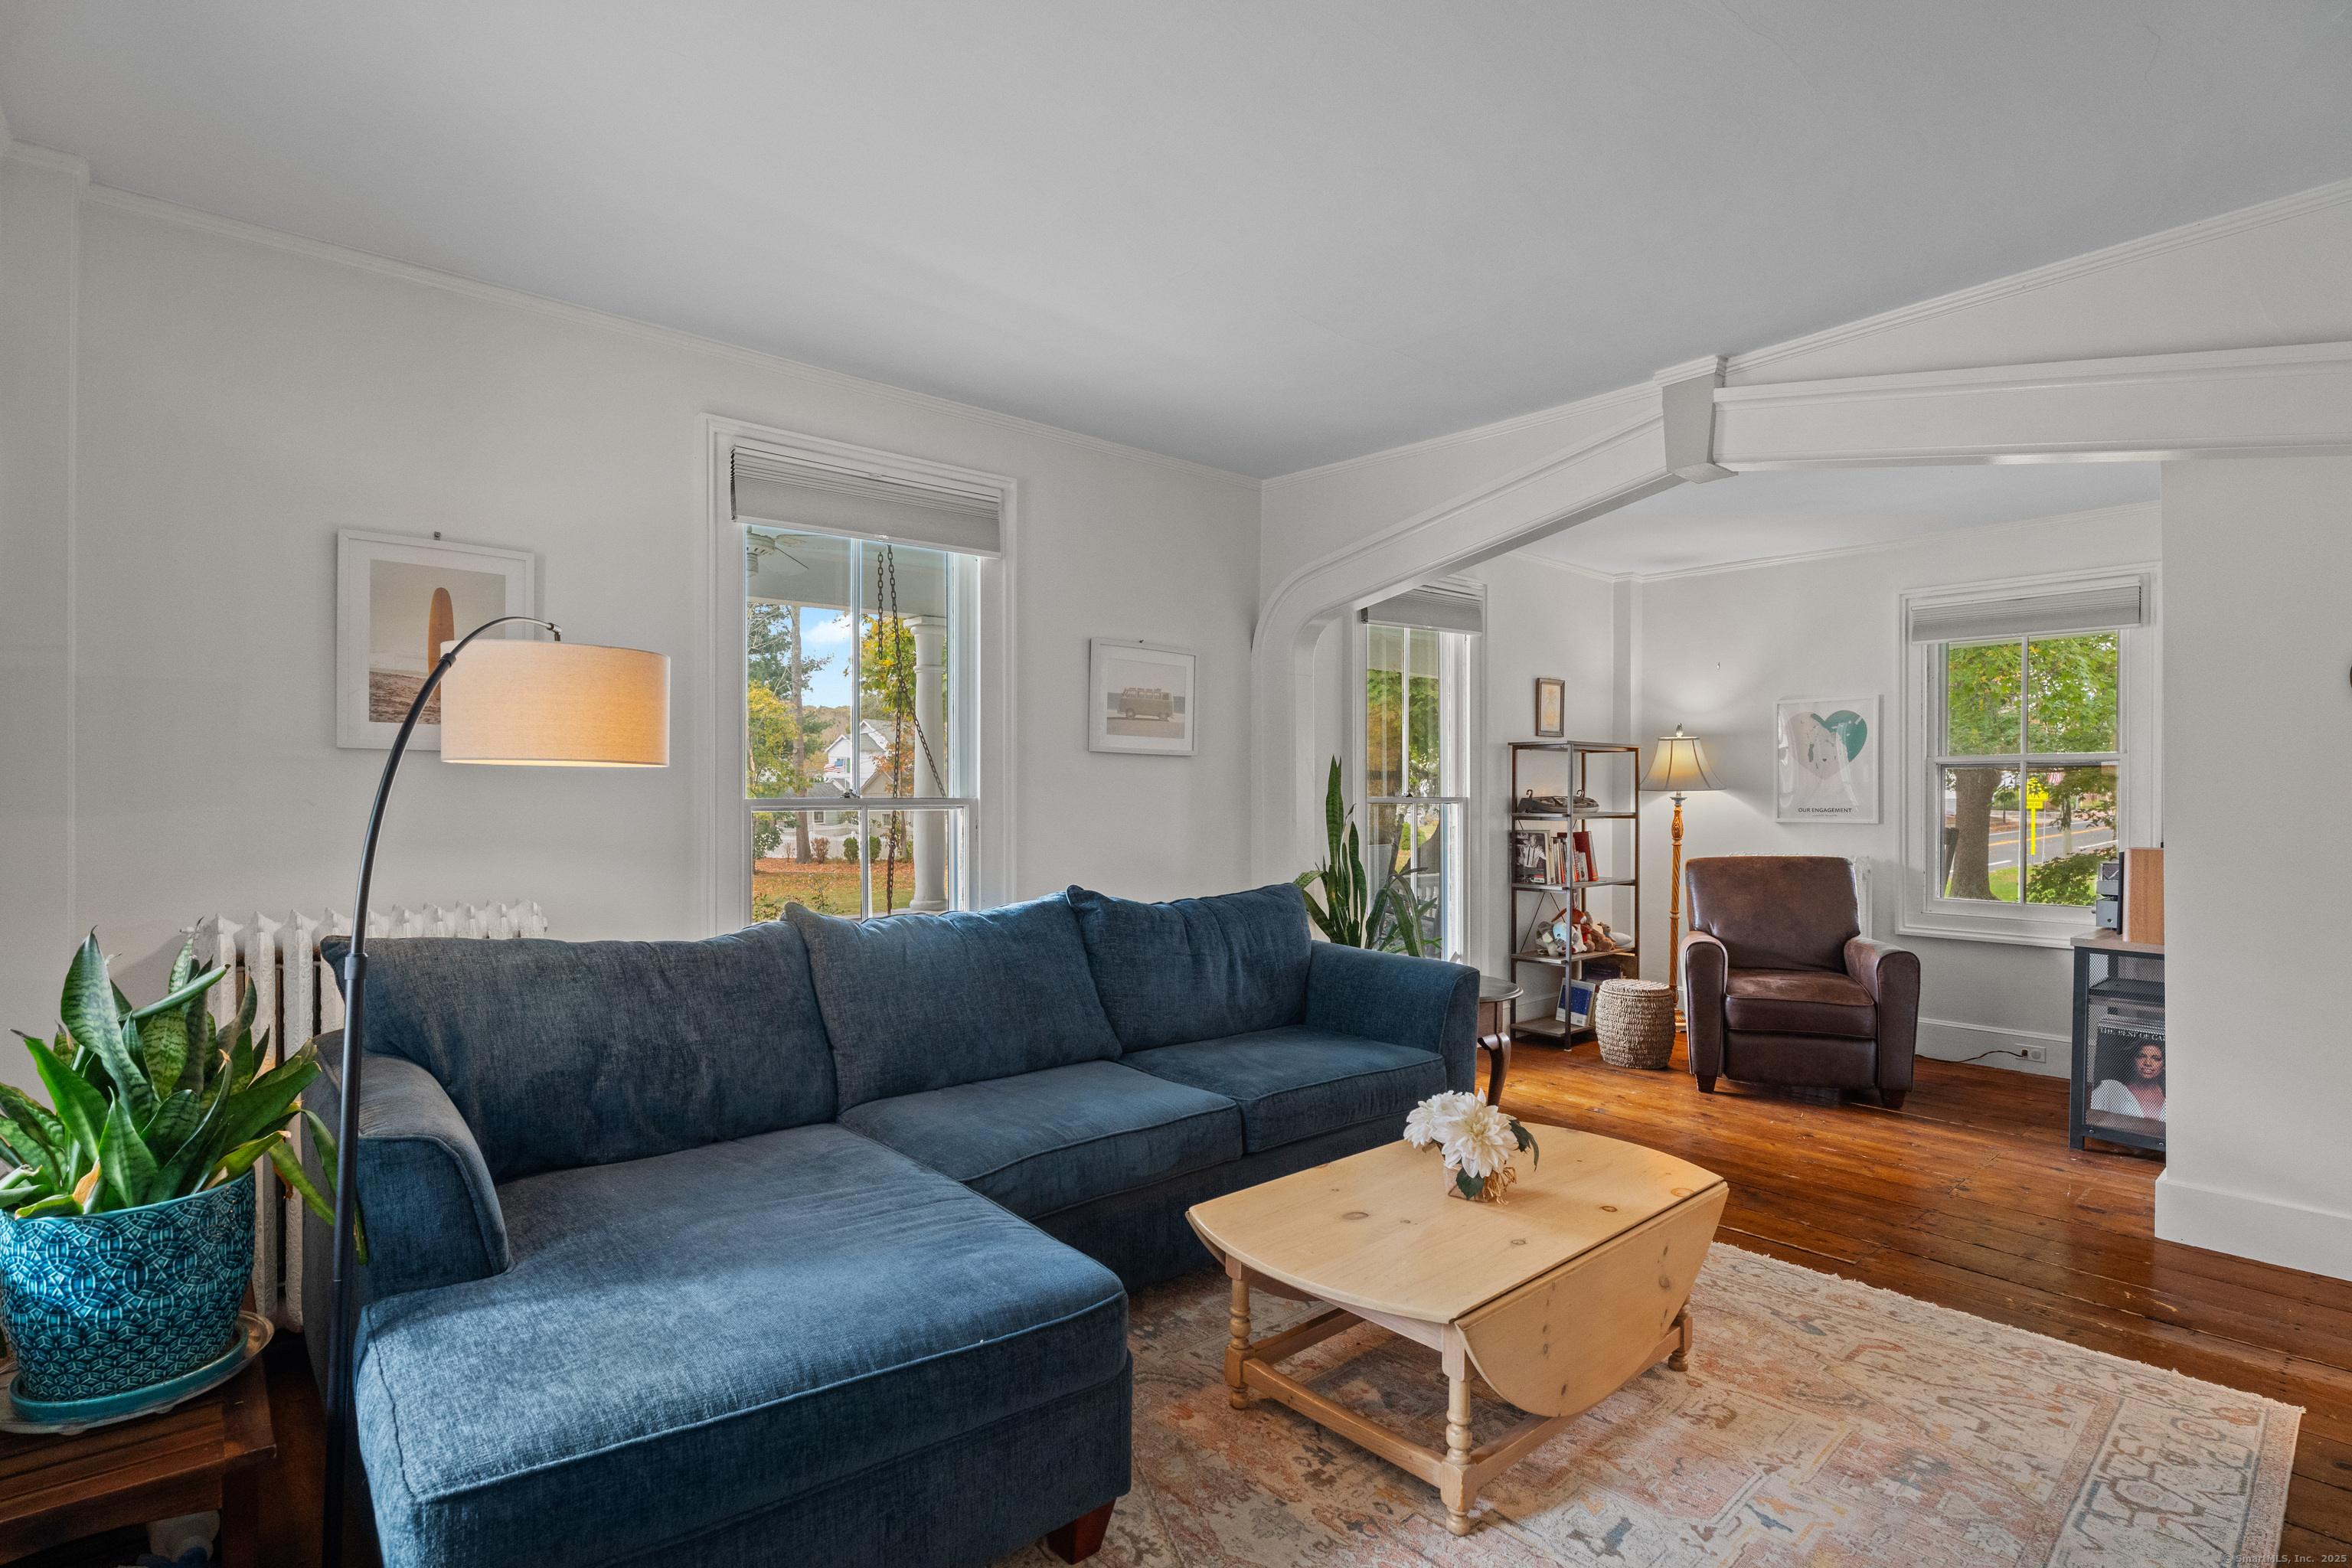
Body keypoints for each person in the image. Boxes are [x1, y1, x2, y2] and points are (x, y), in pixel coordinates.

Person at [2090, 1038, 2165, 1122]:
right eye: (2141, 1057)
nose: (2148, 1063)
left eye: (2156, 1059)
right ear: (2134, 1061)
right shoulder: (2110, 1088)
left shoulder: (2170, 1098)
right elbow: (2091, 1119)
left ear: (2164, 1066)